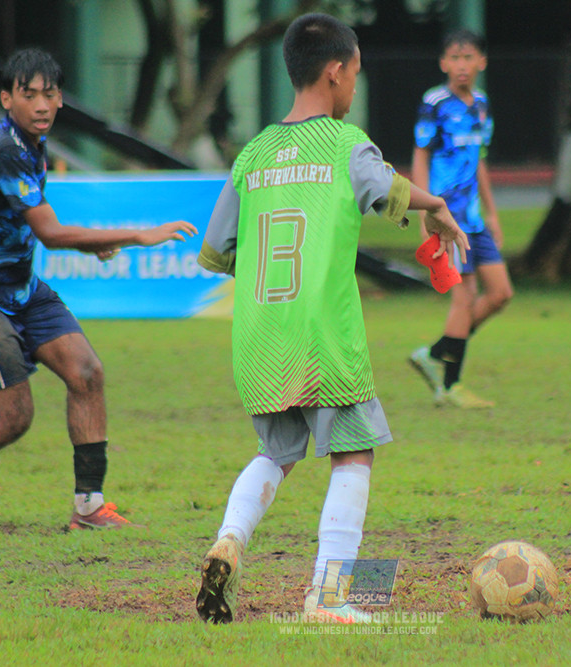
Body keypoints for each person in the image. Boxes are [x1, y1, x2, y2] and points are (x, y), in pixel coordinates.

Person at [194, 13, 468, 624]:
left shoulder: (254, 153)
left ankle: (230, 540)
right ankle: (330, 595)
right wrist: (437, 204)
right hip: (324, 338)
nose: (354, 87)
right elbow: (386, 188)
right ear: (337, 71)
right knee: (355, 454)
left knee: (277, 452)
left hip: (262, 340)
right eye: (356, 74)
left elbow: (215, 252)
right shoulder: (346, 144)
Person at [0, 48, 197, 533]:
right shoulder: (5, 146)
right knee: (14, 416)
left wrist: (94, 247)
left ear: (61, 98)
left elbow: (33, 227)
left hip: (20, 285)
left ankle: (89, 509)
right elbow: (50, 232)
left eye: (50, 93)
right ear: (6, 99)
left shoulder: (31, 143)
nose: (41, 104)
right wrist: (133, 234)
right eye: (29, 95)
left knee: (86, 373)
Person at [407, 29, 512, 410]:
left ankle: (435, 353)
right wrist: (425, 211)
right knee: (464, 296)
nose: (462, 65)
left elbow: (479, 161)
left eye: (469, 58)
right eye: (455, 58)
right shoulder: (434, 102)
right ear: (443, 63)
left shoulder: (481, 104)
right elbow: (420, 155)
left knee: (500, 293)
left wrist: (493, 212)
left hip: (474, 217)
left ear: (481, 62)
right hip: (446, 215)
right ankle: (451, 385)